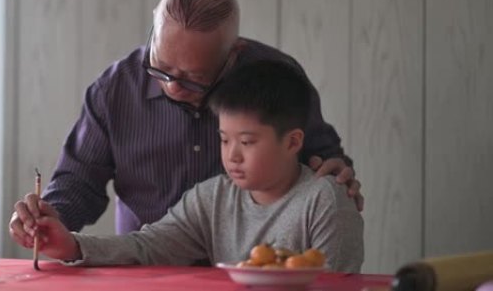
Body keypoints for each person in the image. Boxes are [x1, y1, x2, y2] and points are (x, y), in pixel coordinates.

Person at [10, 0, 363, 243]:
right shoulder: (114, 90)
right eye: (160, 67)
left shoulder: (275, 77)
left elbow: (321, 158)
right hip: (147, 263)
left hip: (255, 265)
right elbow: (79, 182)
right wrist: (49, 215)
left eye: (194, 79)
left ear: (233, 54)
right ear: (154, 27)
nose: (173, 86)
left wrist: (335, 176)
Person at [19, 60, 364, 272]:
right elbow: (148, 245)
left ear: (292, 142)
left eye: (246, 142)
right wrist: (73, 247)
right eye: (224, 140)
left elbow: (339, 283)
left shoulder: (324, 201)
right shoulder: (212, 198)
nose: (232, 156)